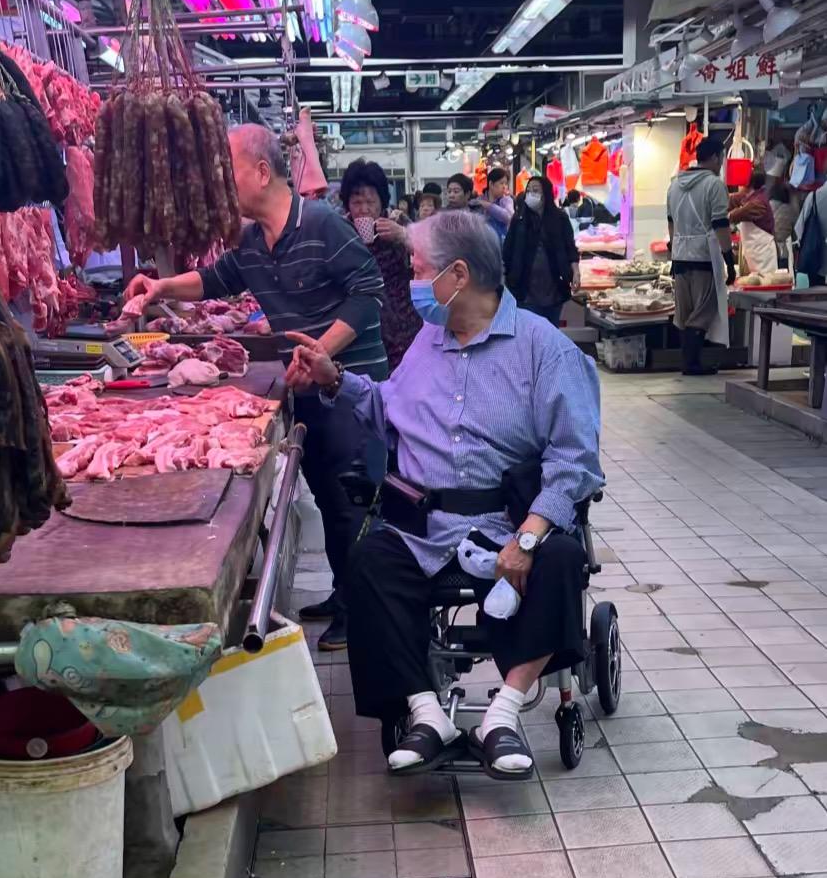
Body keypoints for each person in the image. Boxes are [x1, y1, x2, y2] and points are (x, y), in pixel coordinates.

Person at [287, 209, 602, 778]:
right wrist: (334, 378)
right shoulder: (428, 342)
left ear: (457, 275)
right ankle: (427, 713)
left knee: (560, 558)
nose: (410, 280)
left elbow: (575, 459)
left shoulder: (544, 349)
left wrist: (528, 539)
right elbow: (390, 407)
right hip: (427, 531)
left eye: (418, 268)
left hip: (510, 524)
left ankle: (502, 716)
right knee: (368, 561)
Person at [124, 125, 387, 652]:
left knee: (352, 507)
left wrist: (320, 354)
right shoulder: (251, 241)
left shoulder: (322, 223)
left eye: (229, 169)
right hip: (308, 390)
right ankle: (346, 596)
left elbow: (368, 293)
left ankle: (365, 613)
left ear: (262, 172)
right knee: (330, 499)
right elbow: (215, 279)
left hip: (351, 391)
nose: (221, 181)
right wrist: (161, 286)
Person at [341, 158, 422, 372]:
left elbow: (434, 256)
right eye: (357, 203)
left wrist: (402, 236)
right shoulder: (341, 232)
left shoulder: (399, 223)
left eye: (371, 202)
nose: (364, 209)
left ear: (382, 201)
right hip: (363, 335)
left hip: (406, 329)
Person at [667, 136, 735, 376]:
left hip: (680, 256)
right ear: (715, 157)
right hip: (704, 257)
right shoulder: (714, 185)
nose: (721, 164)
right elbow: (720, 224)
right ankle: (692, 363)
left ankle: (687, 362)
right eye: (722, 158)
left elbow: (671, 224)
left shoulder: (675, 185)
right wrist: (729, 260)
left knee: (684, 312)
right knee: (704, 309)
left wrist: (673, 256)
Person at [503, 176, 580, 326]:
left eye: (536, 190)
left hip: (555, 287)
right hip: (525, 288)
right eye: (528, 190)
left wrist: (575, 272)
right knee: (530, 331)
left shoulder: (560, 218)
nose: (531, 194)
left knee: (551, 330)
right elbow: (508, 251)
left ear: (546, 193)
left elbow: (570, 249)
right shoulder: (519, 219)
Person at [729, 170, 776, 277]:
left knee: (766, 283)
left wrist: (721, 217)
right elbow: (734, 199)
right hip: (754, 253)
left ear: (748, 185)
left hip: (763, 255)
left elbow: (736, 215)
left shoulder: (758, 202)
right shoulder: (751, 195)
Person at [473, 166, 514, 240]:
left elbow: (509, 217)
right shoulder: (479, 200)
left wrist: (488, 206)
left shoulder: (506, 200)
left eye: (506, 184)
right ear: (491, 184)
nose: (504, 187)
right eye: (501, 183)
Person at [770, 180, 801, 267]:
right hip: (783, 251)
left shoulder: (767, 206)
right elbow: (796, 229)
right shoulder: (790, 210)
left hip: (768, 250)